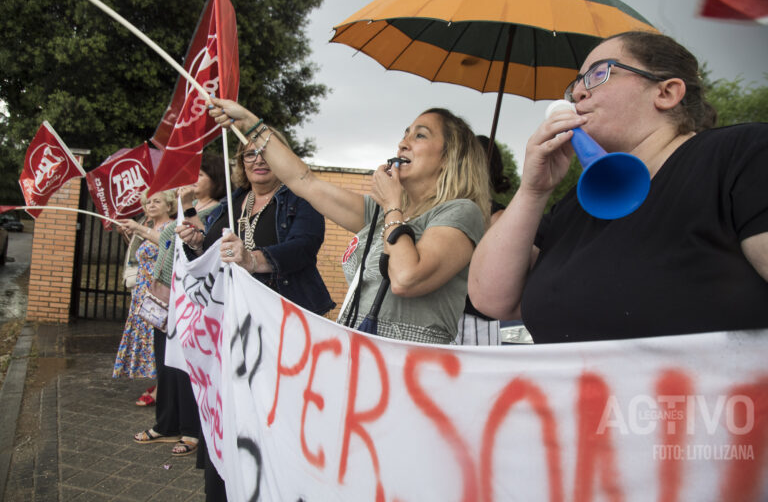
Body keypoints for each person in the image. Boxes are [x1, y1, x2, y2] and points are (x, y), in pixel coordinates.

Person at [468, 31, 768, 343]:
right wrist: (533, 190)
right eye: (576, 84)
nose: (579, 93)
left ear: (666, 93)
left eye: (599, 73)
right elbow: (491, 299)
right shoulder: (575, 204)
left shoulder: (742, 155)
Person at [207, 100, 490, 344]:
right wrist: (251, 123)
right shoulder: (380, 212)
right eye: (405, 134)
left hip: (408, 365)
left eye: (420, 136)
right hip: (361, 352)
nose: (403, 142)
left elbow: (406, 278)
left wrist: (392, 206)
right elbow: (305, 182)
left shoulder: (461, 212)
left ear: (449, 156)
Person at [177, 129, 334, 501]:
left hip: (284, 323)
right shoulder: (236, 200)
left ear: (283, 159)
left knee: (274, 416)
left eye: (266, 153)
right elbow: (214, 248)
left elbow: (304, 248)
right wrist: (200, 242)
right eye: (249, 155)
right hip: (235, 325)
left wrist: (255, 260)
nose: (258, 160)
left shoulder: (300, 199)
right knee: (234, 411)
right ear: (240, 165)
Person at [131, 153, 227, 456]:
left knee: (186, 363)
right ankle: (166, 423)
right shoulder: (192, 208)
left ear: (215, 179)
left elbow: (202, 244)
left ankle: (191, 429)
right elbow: (170, 244)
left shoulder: (217, 211)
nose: (192, 180)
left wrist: (185, 207)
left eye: (199, 174)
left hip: (192, 298)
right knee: (165, 362)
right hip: (166, 293)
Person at [112, 191, 174, 390]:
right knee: (147, 336)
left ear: (169, 205)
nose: (152, 205)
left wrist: (139, 228)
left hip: (158, 292)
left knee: (157, 337)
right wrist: (128, 235)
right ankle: (158, 385)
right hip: (141, 292)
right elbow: (138, 254)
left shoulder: (169, 227)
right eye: (148, 202)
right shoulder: (148, 227)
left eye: (157, 201)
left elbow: (167, 245)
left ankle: (160, 388)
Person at [456, 135, 509, 346]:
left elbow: (496, 273)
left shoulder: (499, 217)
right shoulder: (448, 207)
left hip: (477, 321)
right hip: (441, 313)